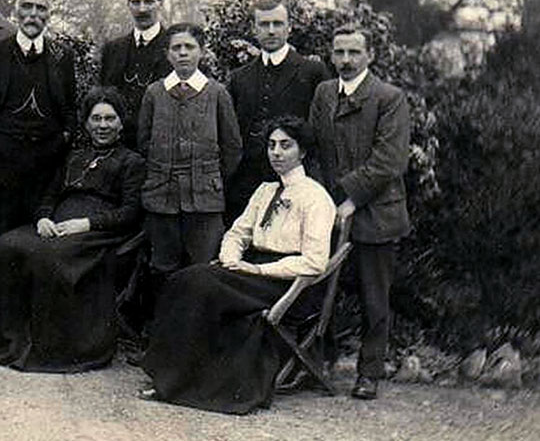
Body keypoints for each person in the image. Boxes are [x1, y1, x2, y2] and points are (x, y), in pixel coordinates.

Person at [139, 116, 336, 414]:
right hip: (250, 271)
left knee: (200, 285)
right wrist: (231, 258)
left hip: (290, 283)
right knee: (184, 279)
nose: (277, 153)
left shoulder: (316, 198)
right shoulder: (265, 191)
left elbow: (314, 261)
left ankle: (177, 382)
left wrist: (257, 270)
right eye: (271, 146)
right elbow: (238, 232)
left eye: (286, 145)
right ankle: (170, 376)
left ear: (303, 152)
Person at [0, 86, 145, 372]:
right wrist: (44, 218)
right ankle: (11, 339)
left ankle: (51, 347)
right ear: (86, 123)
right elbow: (50, 193)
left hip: (98, 231)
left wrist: (87, 224)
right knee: (7, 245)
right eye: (96, 119)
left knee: (50, 258)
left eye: (110, 119)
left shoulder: (132, 162)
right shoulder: (74, 155)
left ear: (121, 123)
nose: (102, 126)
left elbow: (131, 212)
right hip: (58, 222)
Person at [309, 24, 411, 401]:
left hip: (375, 213)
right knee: (319, 288)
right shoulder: (323, 93)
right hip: (329, 211)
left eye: (354, 52)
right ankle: (322, 361)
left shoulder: (389, 97)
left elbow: (389, 161)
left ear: (370, 55)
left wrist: (351, 200)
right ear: (331, 55)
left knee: (373, 298)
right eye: (339, 52)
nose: (346, 60)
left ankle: (369, 373)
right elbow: (316, 149)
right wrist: (320, 199)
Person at [138, 23, 243, 294]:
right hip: (162, 198)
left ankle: (199, 332)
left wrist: (210, 179)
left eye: (189, 47)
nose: (183, 53)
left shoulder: (217, 93)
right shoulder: (154, 93)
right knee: (162, 267)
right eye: (176, 48)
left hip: (205, 200)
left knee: (204, 268)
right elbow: (144, 142)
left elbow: (232, 147)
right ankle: (164, 329)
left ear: (202, 51)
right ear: (167, 54)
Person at [0, 0, 76, 240]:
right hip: (2, 160)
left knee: (39, 235)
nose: (33, 15)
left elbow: (70, 106)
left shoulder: (63, 56)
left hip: (46, 161)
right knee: (1, 233)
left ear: (49, 15)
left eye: (41, 9)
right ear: (16, 13)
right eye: (27, 7)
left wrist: (64, 137)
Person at [226, 0, 330, 222]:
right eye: (264, 24)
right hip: (246, 188)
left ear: (289, 28)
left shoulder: (312, 72)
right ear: (254, 29)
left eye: (277, 24)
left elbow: (324, 134)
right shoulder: (239, 78)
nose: (271, 31)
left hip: (298, 186)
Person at [99, 0, 171, 148]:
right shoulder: (112, 49)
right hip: (117, 149)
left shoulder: (174, 49)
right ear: (128, 5)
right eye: (136, 2)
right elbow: (101, 98)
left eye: (148, 2)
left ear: (160, 4)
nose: (142, 9)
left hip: (159, 149)